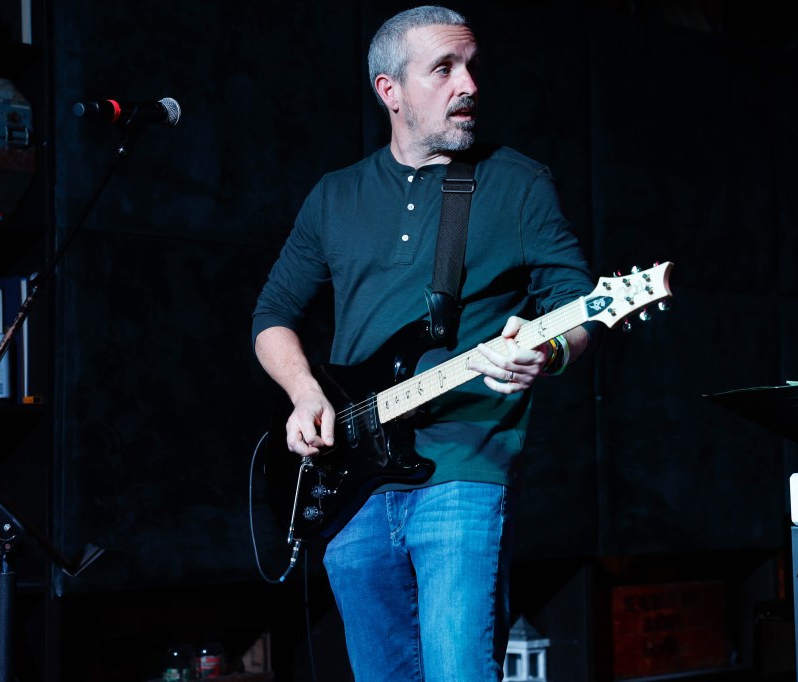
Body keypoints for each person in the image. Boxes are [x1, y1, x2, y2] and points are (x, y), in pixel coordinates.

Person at [252, 6, 597, 679]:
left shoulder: (517, 183)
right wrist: (303, 393)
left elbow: (579, 305)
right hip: (350, 477)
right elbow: (272, 315)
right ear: (390, 90)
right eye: (443, 69)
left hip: (465, 466)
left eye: (471, 66)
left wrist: (549, 350)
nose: (468, 84)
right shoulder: (335, 196)